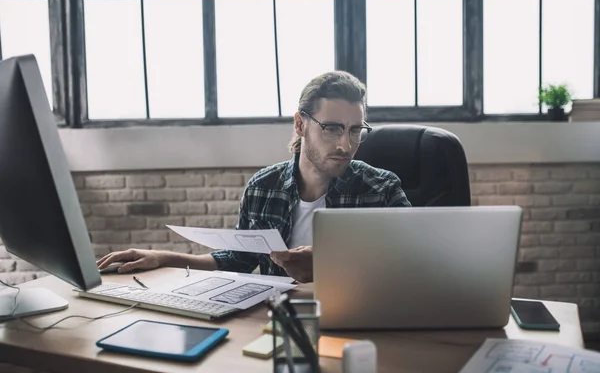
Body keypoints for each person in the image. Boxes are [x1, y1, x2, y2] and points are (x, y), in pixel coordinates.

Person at [97, 71, 411, 283]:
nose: (346, 144)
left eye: (355, 130)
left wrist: (331, 265)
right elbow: (239, 260)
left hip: (355, 325)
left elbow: (415, 268)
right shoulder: (263, 187)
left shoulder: (381, 189)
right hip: (276, 323)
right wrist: (164, 257)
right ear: (301, 125)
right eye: (331, 128)